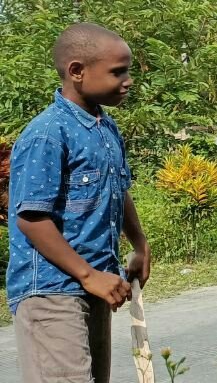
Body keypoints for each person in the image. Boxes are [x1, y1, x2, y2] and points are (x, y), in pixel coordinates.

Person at [8, 23, 150, 383]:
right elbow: (31, 218)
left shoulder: (105, 127)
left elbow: (119, 189)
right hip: (52, 291)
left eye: (128, 70)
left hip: (96, 282)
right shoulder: (47, 134)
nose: (128, 80)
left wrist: (139, 245)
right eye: (118, 72)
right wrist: (88, 276)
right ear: (77, 71)